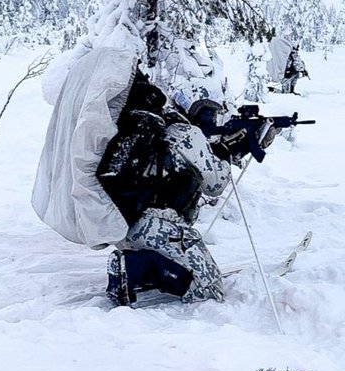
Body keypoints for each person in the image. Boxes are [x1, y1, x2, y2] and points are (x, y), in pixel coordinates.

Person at [32, 47, 277, 306]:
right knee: (209, 289)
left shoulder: (152, 124)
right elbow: (216, 184)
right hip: (156, 228)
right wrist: (235, 149)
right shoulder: (187, 134)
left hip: (124, 224)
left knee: (175, 256)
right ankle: (135, 267)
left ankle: (143, 268)